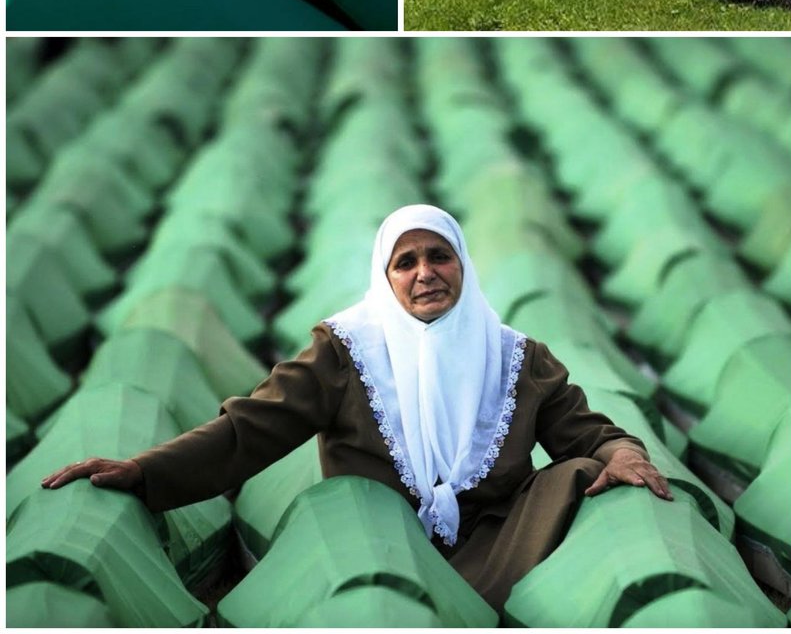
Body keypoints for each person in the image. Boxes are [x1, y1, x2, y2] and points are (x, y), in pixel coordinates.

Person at [41, 204, 672, 611]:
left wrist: (623, 453)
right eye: (406, 262)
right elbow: (250, 429)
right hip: (380, 542)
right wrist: (145, 471)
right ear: (386, 277)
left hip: (497, 540)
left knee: (585, 474)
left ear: (463, 266)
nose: (425, 273)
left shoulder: (516, 357)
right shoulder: (346, 352)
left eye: (440, 256)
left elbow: (588, 433)